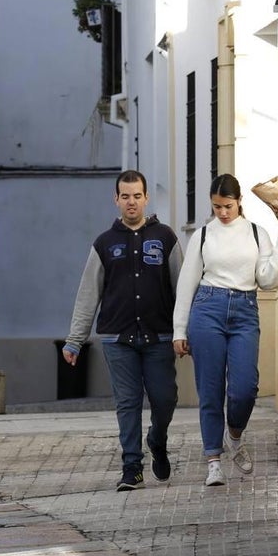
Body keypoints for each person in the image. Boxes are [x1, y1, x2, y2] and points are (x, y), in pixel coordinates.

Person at [63, 169, 183, 491]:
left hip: (159, 336)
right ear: (116, 200)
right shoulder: (104, 243)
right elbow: (89, 292)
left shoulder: (166, 238)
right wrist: (75, 340)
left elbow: (183, 287)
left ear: (146, 198)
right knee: (127, 403)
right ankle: (132, 468)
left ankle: (157, 439)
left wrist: (186, 330)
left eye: (137, 196)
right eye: (125, 196)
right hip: (118, 338)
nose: (131, 202)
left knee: (164, 399)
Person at [172, 174, 278, 487]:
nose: (222, 212)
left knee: (244, 388)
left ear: (239, 202)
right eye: (216, 207)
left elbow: (267, 279)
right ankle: (213, 460)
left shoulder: (256, 233)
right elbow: (187, 284)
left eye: (227, 206)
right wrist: (179, 330)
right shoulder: (201, 236)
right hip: (207, 309)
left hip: (244, 311)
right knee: (210, 390)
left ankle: (234, 435)